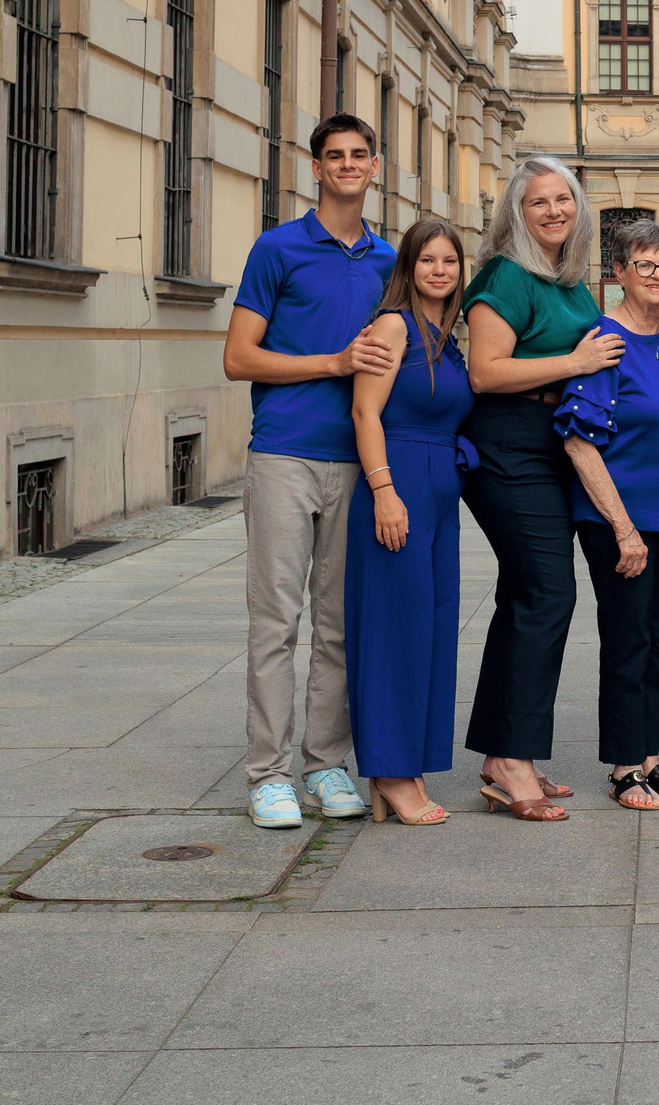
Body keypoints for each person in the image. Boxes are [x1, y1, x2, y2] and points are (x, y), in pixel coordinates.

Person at [222, 112, 391, 830]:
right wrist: (331, 363)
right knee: (275, 621)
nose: (347, 164)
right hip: (285, 453)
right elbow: (238, 357)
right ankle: (267, 773)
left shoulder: (388, 260)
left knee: (340, 623)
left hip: (356, 460)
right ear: (314, 166)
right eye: (334, 155)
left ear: (374, 166)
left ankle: (324, 764)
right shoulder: (277, 248)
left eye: (359, 154)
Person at [458, 157, 620, 821]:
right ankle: (515, 759)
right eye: (537, 202)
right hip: (504, 442)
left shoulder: (568, 279)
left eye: (563, 199)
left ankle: (503, 755)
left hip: (546, 441)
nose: (553, 210)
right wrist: (577, 362)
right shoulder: (505, 274)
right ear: (516, 214)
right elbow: (484, 372)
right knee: (549, 591)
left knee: (524, 594)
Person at [555, 221, 659, 810]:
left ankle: (647, 755)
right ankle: (623, 767)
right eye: (644, 265)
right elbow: (578, 442)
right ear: (617, 273)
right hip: (622, 523)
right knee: (627, 639)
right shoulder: (607, 340)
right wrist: (623, 528)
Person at [343, 217, 474, 827]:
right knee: (395, 630)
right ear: (408, 269)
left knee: (429, 628)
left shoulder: (446, 334)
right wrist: (384, 492)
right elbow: (365, 412)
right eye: (428, 261)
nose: (439, 270)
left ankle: (409, 763)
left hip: (437, 495)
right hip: (398, 487)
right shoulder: (394, 326)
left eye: (449, 261)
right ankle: (391, 772)